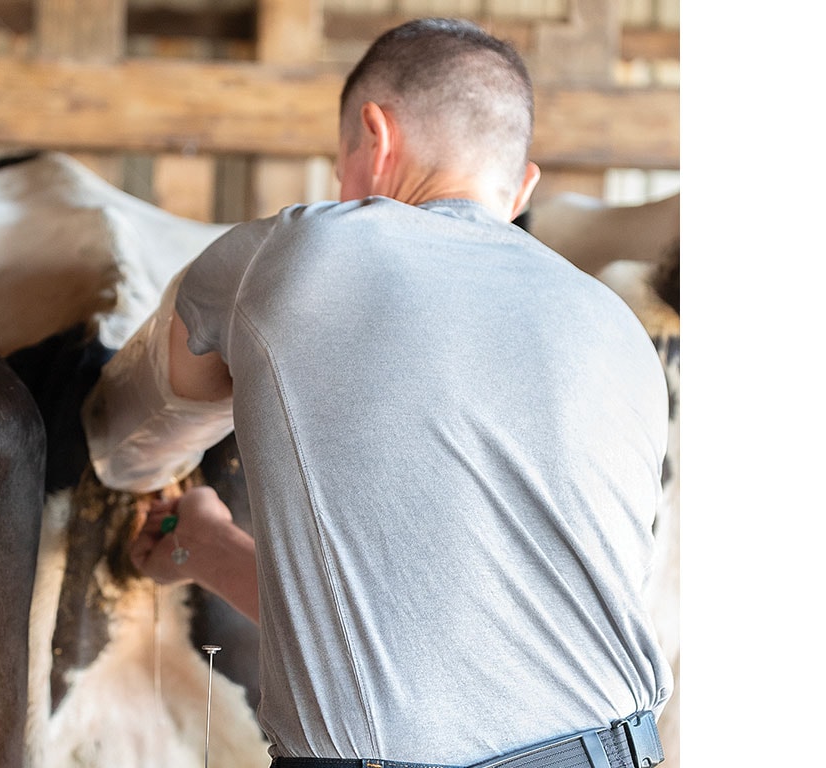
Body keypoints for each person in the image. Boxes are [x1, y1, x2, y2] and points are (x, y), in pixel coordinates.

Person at [81, 17, 671, 768]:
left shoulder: (296, 249)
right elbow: (411, 630)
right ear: (521, 187)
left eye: (342, 168)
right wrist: (209, 544)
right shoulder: (616, 326)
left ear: (374, 138)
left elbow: (128, 439)